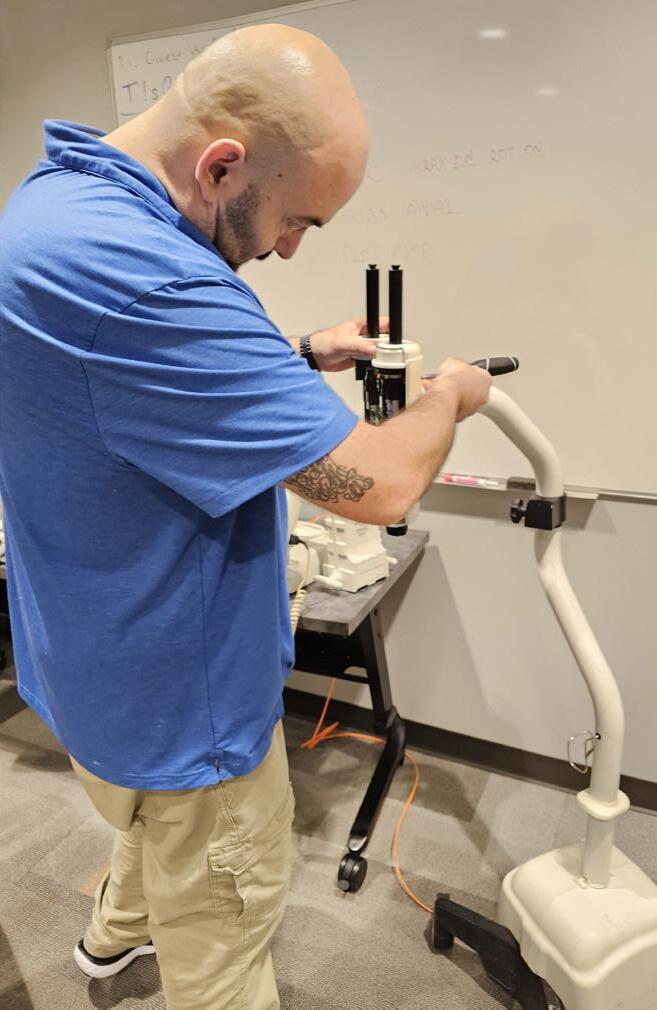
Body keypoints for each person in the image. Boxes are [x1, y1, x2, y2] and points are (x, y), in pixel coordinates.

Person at [0, 23, 491, 1010]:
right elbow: (381, 485)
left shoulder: (51, 207)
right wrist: (449, 397)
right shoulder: (157, 280)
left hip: (93, 671)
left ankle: (111, 938)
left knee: (151, 830)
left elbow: (129, 384)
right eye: (296, 218)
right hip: (190, 706)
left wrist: (297, 355)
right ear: (221, 165)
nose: (288, 246)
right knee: (225, 927)